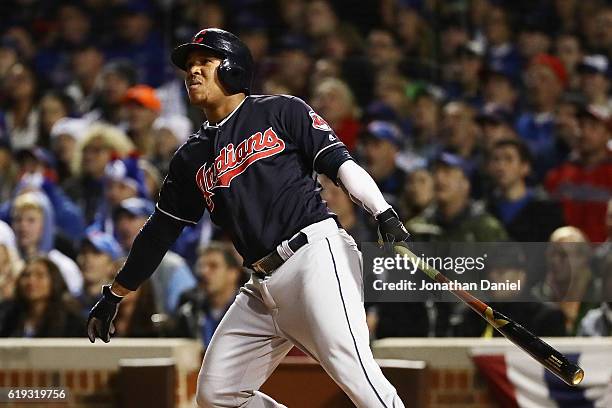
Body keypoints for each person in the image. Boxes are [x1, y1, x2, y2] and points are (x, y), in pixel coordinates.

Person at [87, 28, 408, 408]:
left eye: (204, 62)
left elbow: (340, 163)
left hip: (314, 258)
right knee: (216, 396)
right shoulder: (191, 156)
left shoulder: (281, 110)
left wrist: (381, 209)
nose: (192, 71)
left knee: (358, 375)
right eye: (189, 65)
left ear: (232, 68)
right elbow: (160, 230)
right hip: (261, 284)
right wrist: (116, 293)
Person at [113, 198, 196, 315]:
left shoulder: (172, 265)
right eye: (119, 219)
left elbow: (185, 311)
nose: (123, 225)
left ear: (151, 223)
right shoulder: (115, 262)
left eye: (131, 218)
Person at [545, 104, 612, 242]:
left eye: (593, 127)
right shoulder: (558, 174)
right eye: (581, 126)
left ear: (608, 134)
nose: (585, 133)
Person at [487, 139, 565, 242]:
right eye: (496, 160)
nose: (500, 166)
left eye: (508, 159)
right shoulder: (486, 209)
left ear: (525, 167)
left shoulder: (546, 209)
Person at [11, 191, 83, 296]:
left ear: (45, 225)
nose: (23, 226)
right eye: (18, 220)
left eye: (31, 220)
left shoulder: (63, 266)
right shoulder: (10, 265)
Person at [174, 243, 245, 347]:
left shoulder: (249, 311)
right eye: (202, 266)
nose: (204, 272)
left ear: (233, 273)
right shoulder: (189, 312)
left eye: (213, 266)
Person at [0, 257, 84, 338]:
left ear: (54, 281)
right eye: (26, 275)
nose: (31, 281)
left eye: (40, 275)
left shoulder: (71, 322)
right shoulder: (7, 316)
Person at [76, 231, 123, 317]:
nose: (88, 258)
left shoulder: (121, 306)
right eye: (84, 252)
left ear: (112, 265)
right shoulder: (71, 303)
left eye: (96, 253)